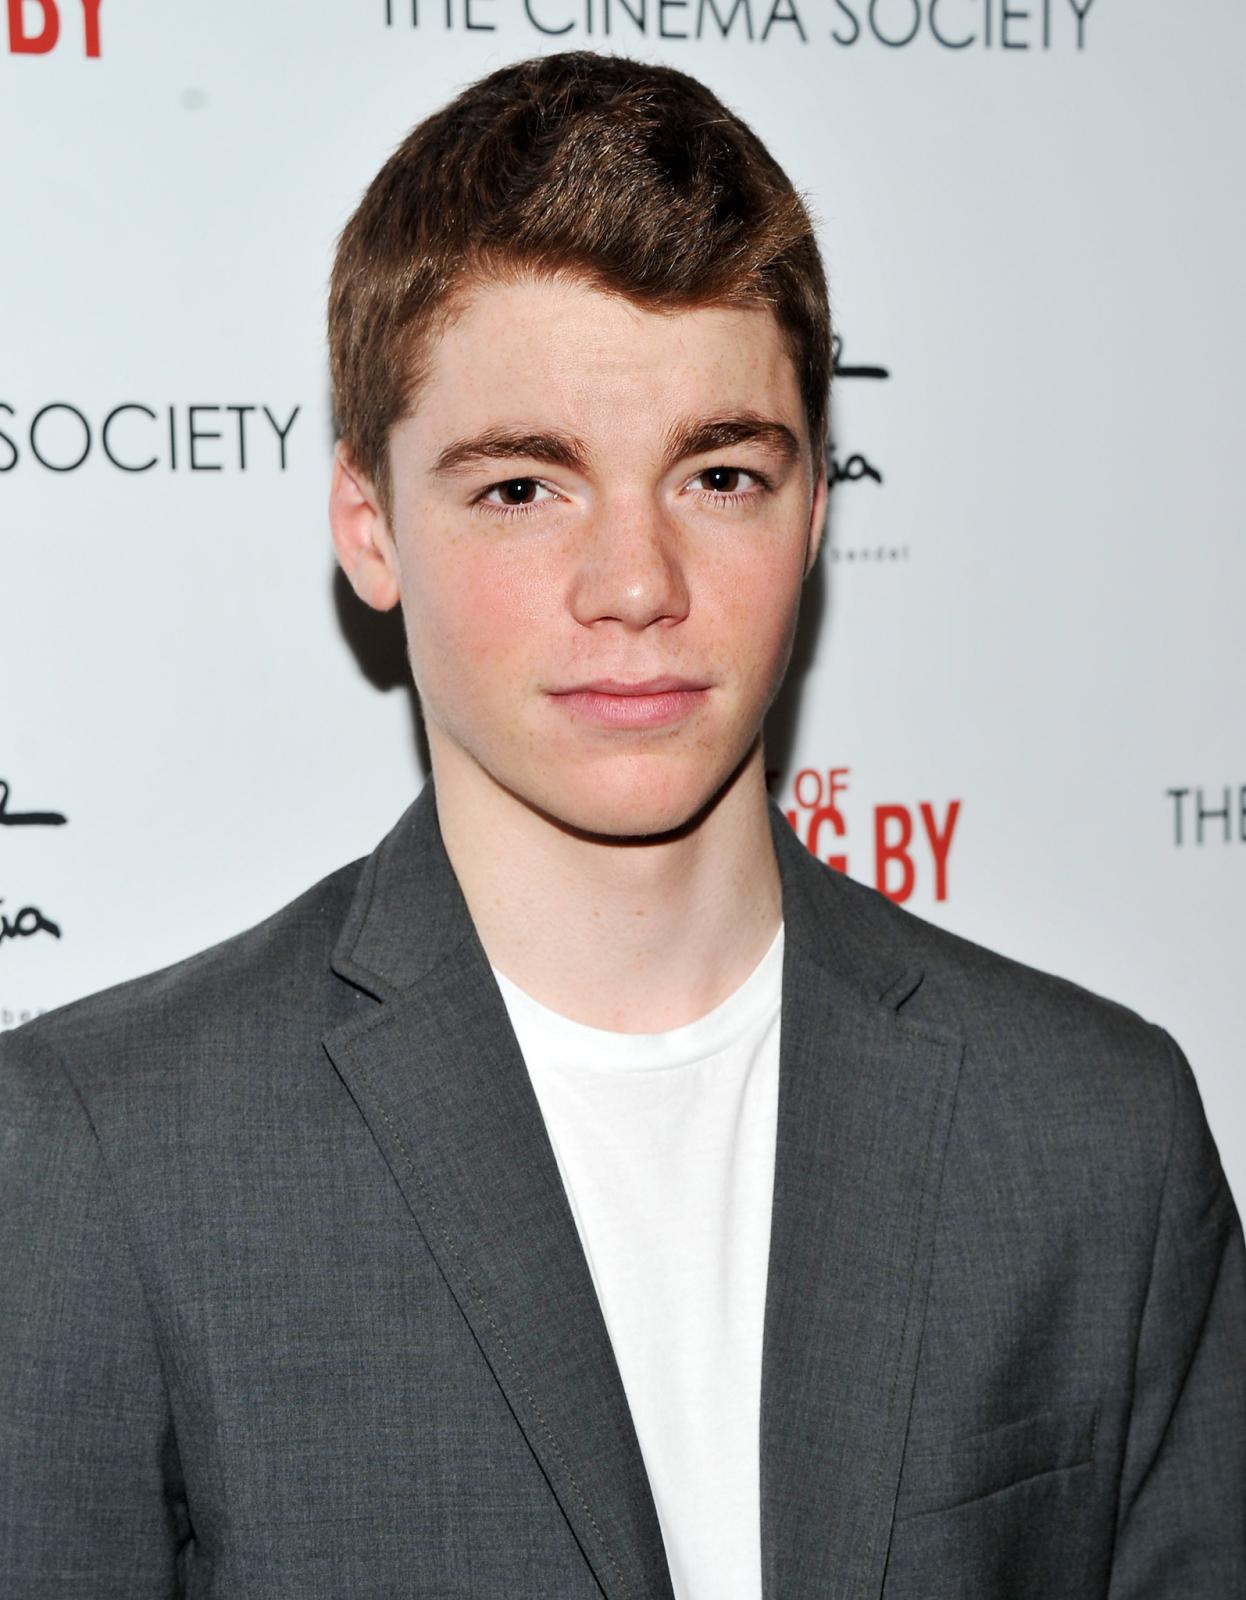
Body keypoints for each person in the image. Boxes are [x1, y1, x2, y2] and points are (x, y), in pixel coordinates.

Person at [1, 50, 1242, 1600]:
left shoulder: (1093, 1131)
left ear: (816, 507)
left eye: (717, 475)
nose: (637, 585)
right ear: (369, 527)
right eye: (525, 489)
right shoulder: (107, 1153)